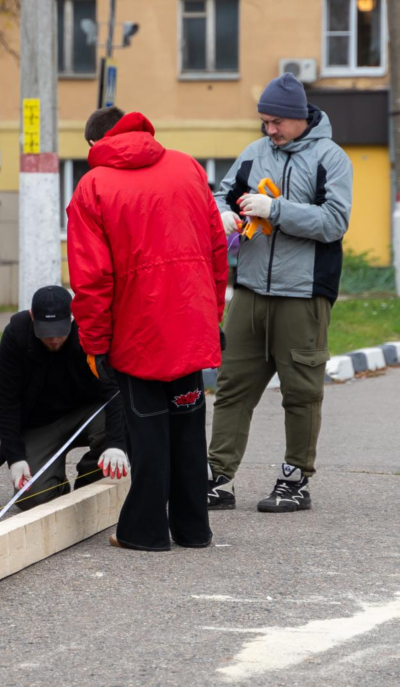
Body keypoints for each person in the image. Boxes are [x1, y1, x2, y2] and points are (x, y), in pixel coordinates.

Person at [67, 107, 228, 552]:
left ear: (95, 145)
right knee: (190, 429)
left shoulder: (94, 186)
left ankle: (146, 530)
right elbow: (217, 245)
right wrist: (211, 316)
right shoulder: (188, 166)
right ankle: (194, 529)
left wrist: (96, 344)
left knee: (149, 431)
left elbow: (91, 278)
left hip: (138, 332)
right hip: (191, 323)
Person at [207, 73, 352, 513]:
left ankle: (294, 480)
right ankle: (217, 478)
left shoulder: (332, 158)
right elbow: (220, 195)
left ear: (297, 118)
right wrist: (223, 216)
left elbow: (334, 221)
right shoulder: (254, 154)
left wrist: (277, 210)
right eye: (264, 121)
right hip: (250, 290)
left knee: (301, 391)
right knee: (232, 385)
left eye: (275, 122)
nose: (268, 129)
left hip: (304, 294)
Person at [0, 285, 128, 511]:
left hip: (89, 415)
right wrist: (15, 457)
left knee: (125, 425)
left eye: (60, 330)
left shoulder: (90, 331)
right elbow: (5, 402)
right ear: (32, 316)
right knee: (32, 499)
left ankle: (88, 477)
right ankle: (58, 486)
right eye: (46, 331)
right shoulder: (16, 335)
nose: (54, 338)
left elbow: (115, 391)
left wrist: (116, 445)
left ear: (72, 317)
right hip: (41, 424)